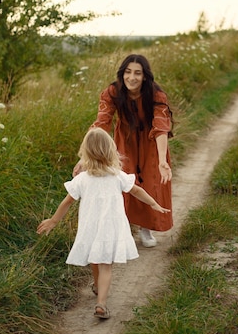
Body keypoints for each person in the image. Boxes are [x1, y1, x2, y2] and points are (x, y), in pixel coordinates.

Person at [37, 128, 170, 320]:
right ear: (110, 151)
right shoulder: (117, 175)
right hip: (111, 227)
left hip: (89, 226)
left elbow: (67, 202)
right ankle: (101, 303)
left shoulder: (82, 179)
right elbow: (137, 191)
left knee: (95, 257)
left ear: (85, 153)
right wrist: (154, 203)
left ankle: (98, 286)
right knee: (106, 265)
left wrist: (53, 220)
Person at [73, 54, 174, 248]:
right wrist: (85, 157)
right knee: (123, 181)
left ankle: (147, 228)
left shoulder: (156, 94)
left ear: (145, 76)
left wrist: (162, 160)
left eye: (138, 73)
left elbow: (161, 128)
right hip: (124, 141)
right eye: (128, 72)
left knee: (151, 182)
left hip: (150, 143)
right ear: (122, 73)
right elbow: (101, 124)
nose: (132, 77)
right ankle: (123, 229)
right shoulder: (112, 91)